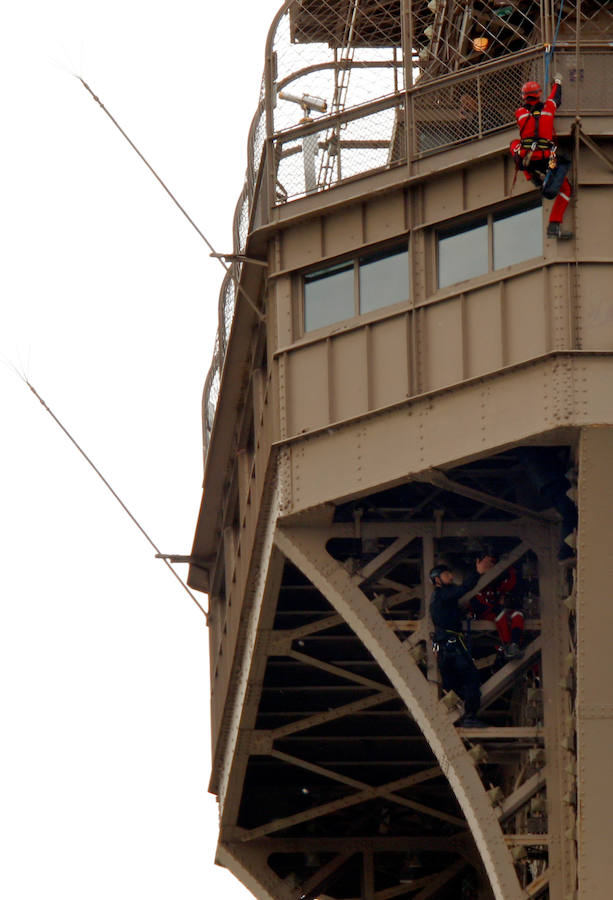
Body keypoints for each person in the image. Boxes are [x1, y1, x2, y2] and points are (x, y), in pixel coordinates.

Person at [430, 555, 495, 727]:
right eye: (446, 575)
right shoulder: (444, 595)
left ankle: (457, 716)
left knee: (453, 685)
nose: (450, 577)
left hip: (446, 649)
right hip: (453, 648)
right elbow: (463, 589)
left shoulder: (439, 599)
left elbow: (441, 624)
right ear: (437, 580)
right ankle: (469, 716)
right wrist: (478, 572)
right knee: (471, 678)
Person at [510, 76, 573, 239]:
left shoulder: (520, 113)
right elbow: (555, 97)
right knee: (566, 189)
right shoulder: (548, 108)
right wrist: (557, 82)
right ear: (539, 94)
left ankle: (530, 176)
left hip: (530, 159)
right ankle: (554, 224)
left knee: (515, 144)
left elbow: (526, 122)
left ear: (524, 96)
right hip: (547, 159)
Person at [469, 565, 525, 660]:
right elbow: (476, 607)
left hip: (498, 613)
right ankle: (508, 646)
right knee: (500, 614)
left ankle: (514, 644)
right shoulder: (477, 589)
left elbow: (510, 584)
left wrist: (510, 569)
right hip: (486, 615)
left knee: (518, 615)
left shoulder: (496, 587)